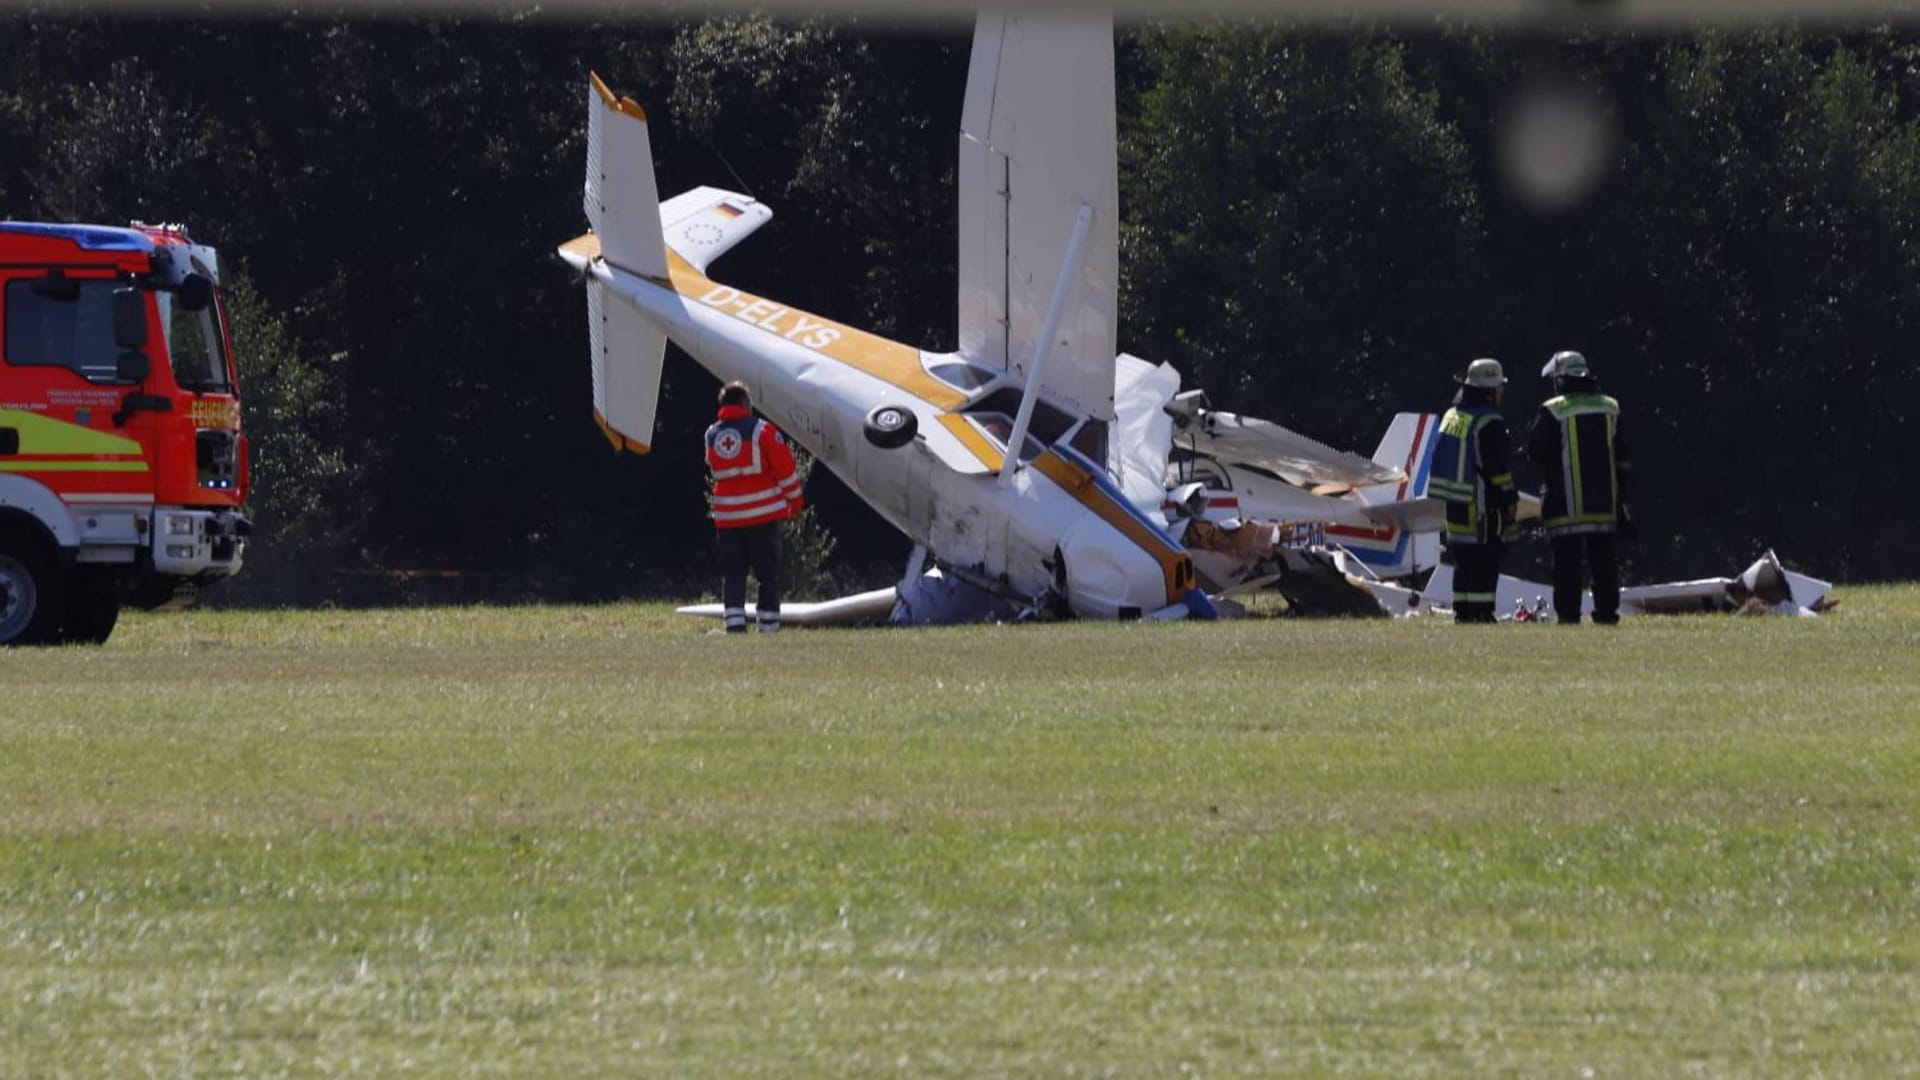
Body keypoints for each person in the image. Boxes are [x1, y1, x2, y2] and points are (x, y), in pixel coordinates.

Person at [1527, 350, 1632, 626]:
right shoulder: (1610, 407)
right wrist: (1624, 499)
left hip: (1566, 506)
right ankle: (1607, 615)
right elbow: (1623, 457)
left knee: (1566, 567)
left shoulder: (1553, 410)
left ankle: (1569, 617)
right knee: (1605, 565)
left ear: (1561, 380)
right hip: (1603, 505)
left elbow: (1536, 453)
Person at [705, 380, 804, 633]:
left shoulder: (712, 435)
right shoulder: (762, 431)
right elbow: (785, 470)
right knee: (767, 575)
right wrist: (795, 503)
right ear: (744, 404)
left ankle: (735, 626)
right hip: (762, 516)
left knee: (733, 575)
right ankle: (768, 626)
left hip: (727, 519)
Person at [1429, 358, 1519, 624]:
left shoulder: (1452, 416)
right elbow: (1496, 468)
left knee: (1463, 562)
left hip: (1455, 505)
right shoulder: (1488, 421)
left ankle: (1463, 613)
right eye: (1499, 387)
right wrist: (1510, 497)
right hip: (1481, 505)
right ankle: (1481, 614)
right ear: (1491, 390)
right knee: (1484, 562)